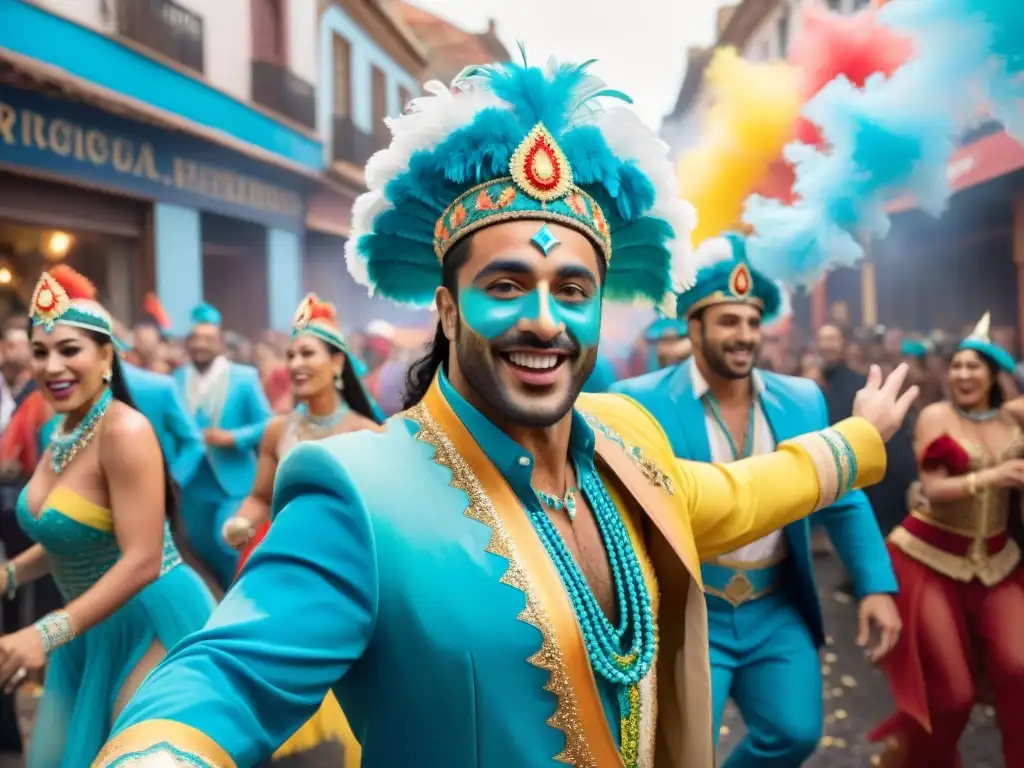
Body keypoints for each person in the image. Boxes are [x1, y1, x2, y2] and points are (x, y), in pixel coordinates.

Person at [96, 56, 913, 768]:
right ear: (448, 311)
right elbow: (229, 675)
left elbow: (735, 497)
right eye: (507, 286)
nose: (546, 321)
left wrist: (857, 438)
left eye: (572, 291)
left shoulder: (624, 437)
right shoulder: (359, 489)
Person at [613, 232, 901, 767]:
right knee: (680, 754)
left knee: (795, 733)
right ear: (693, 327)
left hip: (774, 606)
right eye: (728, 321)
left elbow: (840, 495)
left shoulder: (801, 398)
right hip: (690, 611)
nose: (744, 335)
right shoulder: (640, 401)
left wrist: (875, 586)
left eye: (752, 322)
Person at [0, 266, 214, 766]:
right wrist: (10, 573)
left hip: (150, 620)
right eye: (40, 351)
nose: (52, 365)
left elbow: (141, 560)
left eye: (69, 349)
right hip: (88, 628)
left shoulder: (126, 431)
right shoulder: (57, 431)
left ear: (106, 357)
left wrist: (45, 632)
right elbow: (70, 537)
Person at [218, 294, 382, 768]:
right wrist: (243, 521)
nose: (295, 363)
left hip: (339, 573)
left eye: (308, 353)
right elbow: (260, 495)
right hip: (274, 568)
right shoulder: (276, 431)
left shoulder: (366, 432)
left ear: (337, 363)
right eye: (291, 354)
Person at [871, 313, 1024, 768]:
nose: (962, 374)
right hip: (930, 559)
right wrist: (994, 474)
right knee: (954, 696)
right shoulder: (936, 416)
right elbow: (934, 489)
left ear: (994, 375)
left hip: (998, 562)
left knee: (1018, 671)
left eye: (974, 366)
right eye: (956, 366)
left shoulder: (1012, 420)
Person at [173, 303, 272, 589]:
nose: (200, 345)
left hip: (234, 482)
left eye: (207, 339)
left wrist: (233, 438)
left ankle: (241, 600)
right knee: (200, 548)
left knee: (227, 541)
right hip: (193, 483)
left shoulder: (244, 378)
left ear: (220, 343)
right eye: (195, 339)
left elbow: (267, 424)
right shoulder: (178, 379)